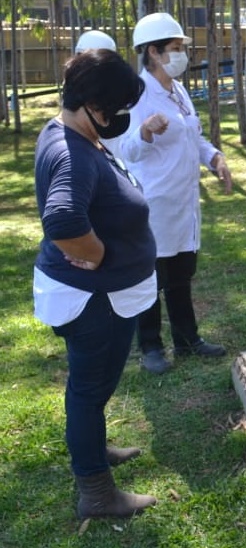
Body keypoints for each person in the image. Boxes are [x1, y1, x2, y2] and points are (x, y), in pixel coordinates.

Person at [34, 49, 157, 517]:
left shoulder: (71, 133)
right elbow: (63, 219)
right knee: (87, 389)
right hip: (91, 300)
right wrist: (101, 255)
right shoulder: (72, 151)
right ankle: (97, 492)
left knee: (93, 386)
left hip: (91, 296)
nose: (120, 117)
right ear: (91, 103)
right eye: (116, 108)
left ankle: (93, 448)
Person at [119, 12, 233, 374]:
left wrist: (215, 157)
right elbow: (125, 149)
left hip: (184, 202)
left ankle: (188, 340)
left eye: (182, 47)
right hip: (154, 201)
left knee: (181, 272)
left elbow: (192, 135)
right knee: (151, 277)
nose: (182, 54)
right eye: (174, 48)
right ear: (152, 52)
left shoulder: (178, 90)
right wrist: (145, 132)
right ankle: (150, 347)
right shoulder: (137, 95)